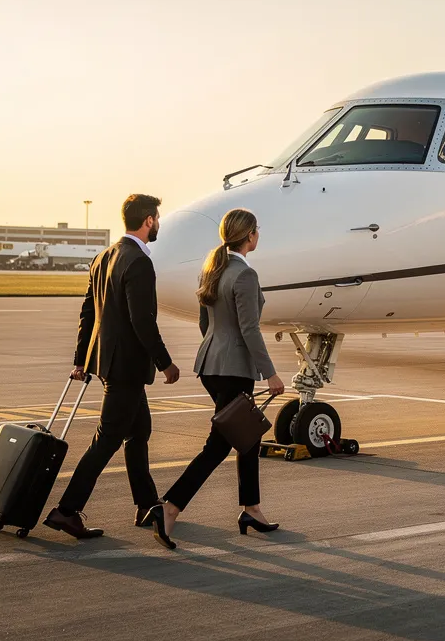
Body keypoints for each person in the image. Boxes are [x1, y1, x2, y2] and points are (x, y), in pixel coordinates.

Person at [146, 208, 284, 549]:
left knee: (247, 435)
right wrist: (271, 374)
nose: (258, 235)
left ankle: (251, 508)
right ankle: (170, 508)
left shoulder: (213, 269)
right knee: (219, 444)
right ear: (250, 235)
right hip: (234, 369)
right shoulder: (245, 275)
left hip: (210, 364)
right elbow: (250, 329)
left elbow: (205, 324)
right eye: (257, 231)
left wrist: (216, 347)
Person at [45, 194, 180, 540]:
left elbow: (88, 313)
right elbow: (142, 320)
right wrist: (165, 363)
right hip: (127, 369)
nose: (158, 223)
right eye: (157, 218)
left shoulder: (103, 257)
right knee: (106, 440)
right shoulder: (138, 262)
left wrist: (81, 359)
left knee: (139, 432)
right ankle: (67, 510)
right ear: (148, 220)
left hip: (109, 364)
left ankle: (146, 504)